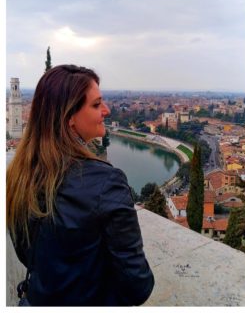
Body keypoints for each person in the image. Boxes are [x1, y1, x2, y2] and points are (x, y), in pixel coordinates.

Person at [6, 65, 154, 305]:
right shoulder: (107, 183)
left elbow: (27, 254)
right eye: (96, 105)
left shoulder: (18, 175)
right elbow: (138, 285)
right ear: (69, 118)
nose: (106, 110)